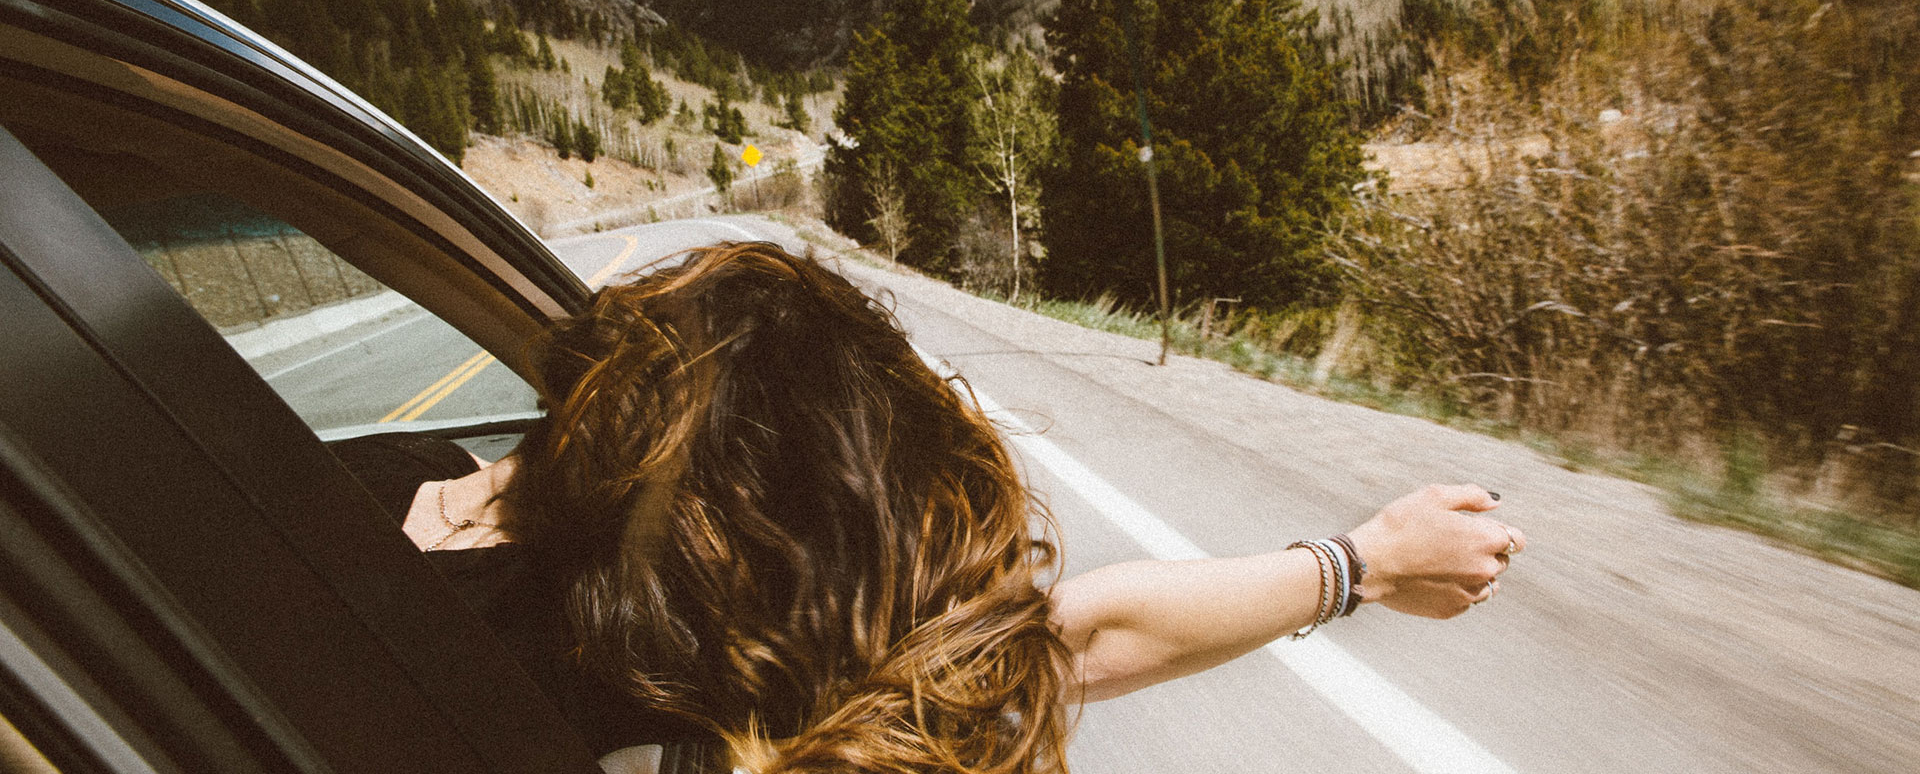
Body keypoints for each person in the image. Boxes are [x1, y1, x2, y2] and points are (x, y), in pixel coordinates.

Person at [367, 242, 1525, 774]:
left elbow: (1056, 642)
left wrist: (1360, 563)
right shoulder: (684, 699)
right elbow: (1058, 643)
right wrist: (1357, 565)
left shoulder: (358, 498)